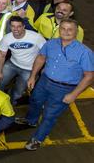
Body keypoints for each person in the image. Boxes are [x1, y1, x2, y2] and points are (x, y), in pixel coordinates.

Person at [17, 19, 93, 151]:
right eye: (63, 28)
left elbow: (89, 76)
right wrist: (33, 76)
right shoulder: (51, 43)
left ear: (76, 32)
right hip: (44, 81)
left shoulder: (84, 52)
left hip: (64, 88)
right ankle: (31, 120)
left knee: (49, 115)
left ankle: (38, 139)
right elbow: (41, 58)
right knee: (35, 100)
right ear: (59, 30)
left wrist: (74, 94)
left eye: (70, 29)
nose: (66, 32)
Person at [0, 16, 46, 105]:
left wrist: (35, 74)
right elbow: (1, 55)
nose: (16, 29)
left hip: (29, 68)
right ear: (10, 27)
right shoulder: (6, 38)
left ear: (23, 26)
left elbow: (45, 54)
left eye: (18, 26)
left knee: (18, 91)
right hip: (12, 64)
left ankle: (10, 103)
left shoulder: (36, 37)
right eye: (13, 26)